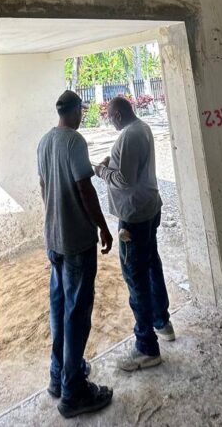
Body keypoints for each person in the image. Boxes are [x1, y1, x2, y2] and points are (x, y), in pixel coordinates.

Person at [37, 90, 114, 419]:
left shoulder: (44, 142)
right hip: (77, 241)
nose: (83, 115)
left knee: (59, 308)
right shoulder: (74, 142)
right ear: (75, 111)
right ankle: (74, 392)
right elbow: (85, 188)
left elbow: (44, 186)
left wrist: (53, 218)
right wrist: (103, 227)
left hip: (54, 239)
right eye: (81, 110)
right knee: (77, 313)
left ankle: (59, 375)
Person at [94, 95, 175, 371]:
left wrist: (102, 171)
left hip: (134, 217)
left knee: (135, 277)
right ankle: (162, 322)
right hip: (149, 208)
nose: (110, 121)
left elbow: (124, 179)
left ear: (117, 115)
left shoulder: (128, 136)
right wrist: (112, 164)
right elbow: (133, 169)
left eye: (109, 117)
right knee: (151, 264)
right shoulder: (143, 128)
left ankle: (146, 347)